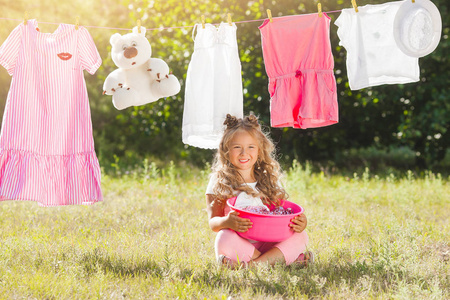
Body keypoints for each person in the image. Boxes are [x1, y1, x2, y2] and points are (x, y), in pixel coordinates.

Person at [205, 114, 313, 268]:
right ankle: (278, 263)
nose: (244, 153)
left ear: (259, 149)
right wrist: (227, 222)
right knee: (223, 237)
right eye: (237, 147)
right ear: (226, 150)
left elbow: (281, 214)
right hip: (240, 244)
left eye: (251, 147)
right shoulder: (220, 181)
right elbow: (213, 222)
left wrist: (300, 223)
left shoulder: (268, 180)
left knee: (301, 235)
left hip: (268, 243)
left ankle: (251, 266)